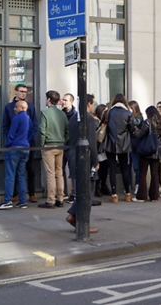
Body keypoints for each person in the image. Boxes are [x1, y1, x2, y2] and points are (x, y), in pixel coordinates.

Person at [66, 95, 99, 233]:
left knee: (80, 190)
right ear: (89, 104)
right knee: (88, 192)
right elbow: (91, 142)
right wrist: (96, 161)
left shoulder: (74, 117)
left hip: (73, 156)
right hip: (85, 158)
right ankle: (81, 223)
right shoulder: (89, 119)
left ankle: (74, 215)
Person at [2, 84, 39, 203]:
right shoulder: (9, 107)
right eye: (21, 91)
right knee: (16, 172)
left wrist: (26, 140)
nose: (23, 94)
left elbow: (34, 126)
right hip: (15, 144)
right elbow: (6, 126)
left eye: (25, 92)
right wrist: (11, 141)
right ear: (16, 92)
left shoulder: (30, 107)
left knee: (29, 169)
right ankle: (15, 195)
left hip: (26, 144)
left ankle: (31, 193)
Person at [0, 100, 31, 210]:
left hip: (14, 148)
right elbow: (30, 133)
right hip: (26, 148)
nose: (14, 109)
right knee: (21, 175)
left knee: (10, 176)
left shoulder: (17, 118)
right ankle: (23, 201)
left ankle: (7, 200)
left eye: (16, 107)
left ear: (21, 108)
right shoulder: (28, 119)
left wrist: (7, 145)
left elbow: (11, 134)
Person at [39, 90, 69, 209]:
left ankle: (51, 199)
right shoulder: (62, 114)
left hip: (49, 146)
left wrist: (42, 144)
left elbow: (42, 131)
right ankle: (60, 198)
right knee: (59, 172)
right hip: (60, 145)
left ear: (49, 100)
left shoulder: (44, 113)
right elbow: (68, 130)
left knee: (50, 173)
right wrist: (63, 140)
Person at [103, 93, 133, 203]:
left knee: (112, 169)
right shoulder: (128, 113)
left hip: (110, 144)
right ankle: (127, 193)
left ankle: (114, 194)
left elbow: (103, 125)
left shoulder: (108, 113)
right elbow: (132, 129)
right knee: (125, 168)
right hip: (124, 144)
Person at [133, 105, 161, 202]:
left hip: (147, 150)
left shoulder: (147, 122)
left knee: (143, 173)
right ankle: (154, 196)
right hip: (157, 151)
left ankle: (142, 196)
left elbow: (140, 134)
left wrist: (135, 129)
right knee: (155, 173)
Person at [128, 100, 144, 196]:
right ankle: (128, 185)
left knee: (136, 166)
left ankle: (138, 185)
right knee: (127, 166)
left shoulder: (139, 118)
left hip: (136, 144)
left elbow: (136, 124)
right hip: (128, 144)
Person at [94, 104, 109, 197]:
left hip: (104, 148)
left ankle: (103, 185)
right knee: (99, 169)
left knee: (104, 169)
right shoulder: (96, 122)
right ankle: (98, 187)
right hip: (98, 148)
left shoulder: (105, 121)